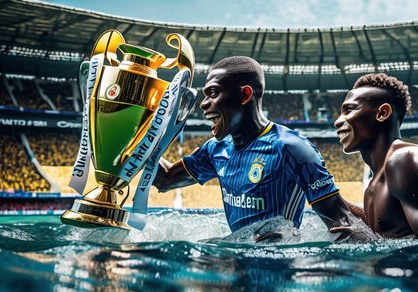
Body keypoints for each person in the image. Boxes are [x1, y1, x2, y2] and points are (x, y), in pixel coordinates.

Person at [153, 56, 368, 242]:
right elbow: (165, 178)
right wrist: (136, 136)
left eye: (213, 93)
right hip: (236, 269)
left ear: (245, 95)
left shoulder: (292, 149)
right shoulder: (215, 149)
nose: (203, 103)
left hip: (279, 270)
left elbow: (347, 228)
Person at [332, 73, 418, 239]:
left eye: (349, 110)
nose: (338, 121)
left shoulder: (406, 159)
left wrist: (369, 244)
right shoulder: (374, 185)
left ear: (382, 113)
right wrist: (324, 194)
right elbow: (385, 231)